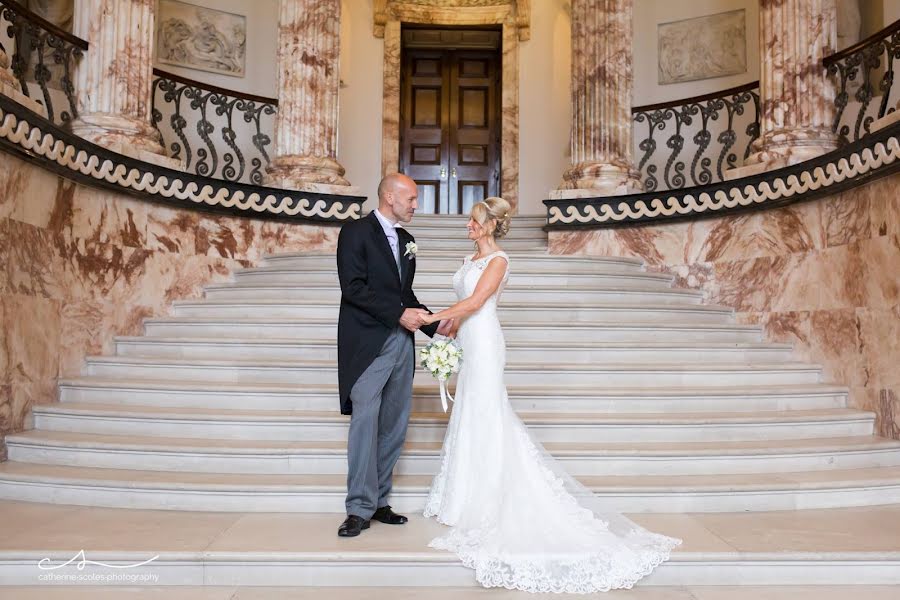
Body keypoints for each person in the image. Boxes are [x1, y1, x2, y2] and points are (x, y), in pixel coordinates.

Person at [420, 196, 681, 593]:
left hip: (487, 343)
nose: (468, 227)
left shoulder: (499, 261)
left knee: (488, 411)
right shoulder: (467, 259)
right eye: (470, 222)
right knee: (470, 412)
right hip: (468, 342)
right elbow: (464, 309)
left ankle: (490, 496)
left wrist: (430, 317)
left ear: (491, 226)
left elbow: (476, 302)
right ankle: (464, 493)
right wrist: (450, 331)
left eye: (474, 222)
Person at [335, 173, 453, 537]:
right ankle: (358, 507)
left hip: (403, 342)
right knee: (365, 422)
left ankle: (380, 501)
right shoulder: (355, 232)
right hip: (368, 342)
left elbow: (406, 295)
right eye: (412, 199)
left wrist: (437, 325)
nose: (416, 205)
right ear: (389, 197)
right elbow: (352, 288)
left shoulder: (407, 240)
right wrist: (398, 314)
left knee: (394, 424)